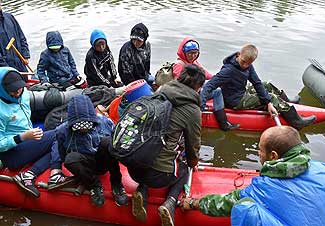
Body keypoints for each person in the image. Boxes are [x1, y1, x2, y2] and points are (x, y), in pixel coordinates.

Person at [181, 126, 325, 226]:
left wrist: (194, 203)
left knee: (245, 207)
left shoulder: (263, 187)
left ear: (273, 156)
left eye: (260, 150)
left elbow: (223, 204)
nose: (258, 153)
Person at [121, 64, 205, 226]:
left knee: (151, 149)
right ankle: (170, 203)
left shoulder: (159, 92)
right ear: (198, 87)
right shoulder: (193, 110)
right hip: (159, 177)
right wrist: (193, 162)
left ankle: (142, 190)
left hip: (133, 167)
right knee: (184, 168)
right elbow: (193, 147)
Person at [200, 44, 315, 130]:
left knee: (266, 85)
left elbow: (257, 83)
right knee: (272, 98)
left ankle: (286, 101)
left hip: (240, 90)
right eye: (243, 61)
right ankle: (297, 122)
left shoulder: (248, 66)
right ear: (238, 55)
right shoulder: (228, 70)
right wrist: (201, 106)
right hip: (235, 100)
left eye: (248, 63)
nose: (245, 65)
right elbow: (209, 85)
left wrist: (266, 101)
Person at [0, 67, 69, 198]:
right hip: (11, 153)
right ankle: (55, 173)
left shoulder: (23, 94)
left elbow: (33, 99)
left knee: (59, 145)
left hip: (28, 140)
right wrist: (22, 137)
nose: (17, 92)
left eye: (19, 88)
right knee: (59, 133)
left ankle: (28, 175)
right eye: (13, 91)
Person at [55, 95, 128, 207]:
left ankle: (117, 183)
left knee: (108, 142)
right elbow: (62, 154)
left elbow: (117, 146)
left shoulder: (105, 122)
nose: (84, 129)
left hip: (103, 160)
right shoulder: (62, 131)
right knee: (70, 159)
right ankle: (94, 185)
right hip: (85, 164)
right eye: (80, 127)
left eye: (87, 126)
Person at [174, 37, 239, 131]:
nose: (192, 56)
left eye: (195, 53)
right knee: (212, 90)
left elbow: (206, 75)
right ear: (184, 53)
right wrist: (199, 88)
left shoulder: (194, 62)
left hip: (197, 91)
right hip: (186, 95)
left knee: (217, 89)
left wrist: (219, 80)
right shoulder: (179, 65)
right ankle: (202, 116)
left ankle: (223, 122)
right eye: (190, 53)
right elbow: (179, 86)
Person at [0, 2, 30, 72]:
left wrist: (25, 56)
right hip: (5, 69)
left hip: (20, 61)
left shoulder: (10, 17)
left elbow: (21, 36)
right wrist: (7, 69)